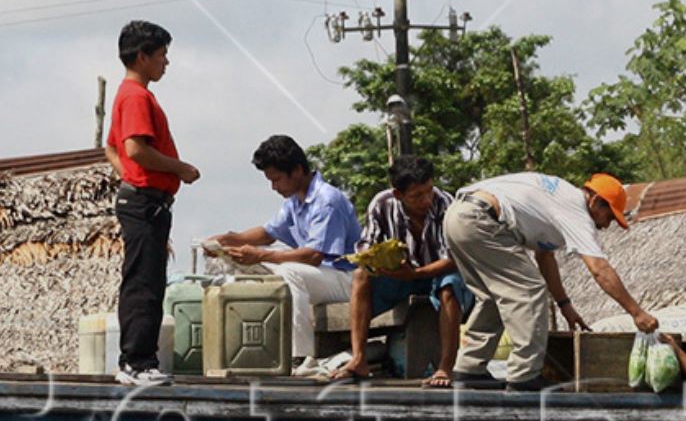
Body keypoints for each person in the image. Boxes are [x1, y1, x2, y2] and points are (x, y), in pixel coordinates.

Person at [444, 171, 660, 391]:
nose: (606, 226)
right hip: (481, 219)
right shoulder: (576, 212)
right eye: (609, 217)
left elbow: (545, 257)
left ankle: (469, 370)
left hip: (457, 216)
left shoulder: (557, 201)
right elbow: (600, 269)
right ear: (595, 201)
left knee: (492, 296)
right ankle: (524, 375)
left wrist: (565, 305)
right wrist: (637, 312)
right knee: (529, 289)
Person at [210, 135, 361, 377]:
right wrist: (228, 241)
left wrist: (260, 256)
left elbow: (313, 255)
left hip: (346, 278)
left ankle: (301, 356)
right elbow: (269, 233)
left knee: (290, 272)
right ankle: (250, 350)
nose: (274, 187)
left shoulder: (326, 200)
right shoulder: (294, 201)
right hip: (320, 273)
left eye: (277, 179)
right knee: (239, 265)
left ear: (298, 170)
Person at [104, 20, 201, 386]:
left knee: (145, 279)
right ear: (142, 57)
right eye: (161, 55)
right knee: (144, 283)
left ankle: (136, 359)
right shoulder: (136, 96)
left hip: (146, 199)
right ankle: (138, 362)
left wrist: (129, 173)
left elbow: (112, 148)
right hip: (144, 202)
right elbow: (134, 149)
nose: (166, 63)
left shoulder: (130, 94)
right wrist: (180, 168)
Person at [331, 155, 472, 387]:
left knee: (450, 285)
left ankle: (445, 367)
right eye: (417, 195)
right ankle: (358, 359)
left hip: (438, 275)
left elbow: (456, 257)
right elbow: (367, 246)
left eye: (428, 191)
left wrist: (417, 273)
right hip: (400, 276)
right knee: (361, 275)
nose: (426, 200)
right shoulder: (382, 203)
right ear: (399, 194)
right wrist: (378, 261)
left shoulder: (447, 204)